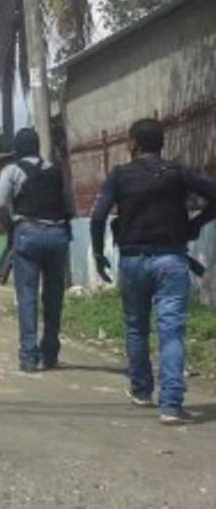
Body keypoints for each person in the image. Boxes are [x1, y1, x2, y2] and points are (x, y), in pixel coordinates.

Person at [90, 118, 216, 424]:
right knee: (171, 331)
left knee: (136, 327)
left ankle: (142, 391)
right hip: (171, 260)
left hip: (132, 260)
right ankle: (171, 406)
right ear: (162, 143)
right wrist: (195, 225)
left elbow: (98, 216)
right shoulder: (178, 172)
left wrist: (98, 253)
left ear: (133, 143)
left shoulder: (119, 175)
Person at [0, 128, 72, 372]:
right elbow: (68, 204)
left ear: (17, 149)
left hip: (28, 234)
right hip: (58, 235)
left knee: (28, 296)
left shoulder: (12, 170)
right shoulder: (55, 171)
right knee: (54, 296)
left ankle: (29, 357)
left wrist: (12, 228)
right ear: (37, 147)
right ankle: (51, 354)